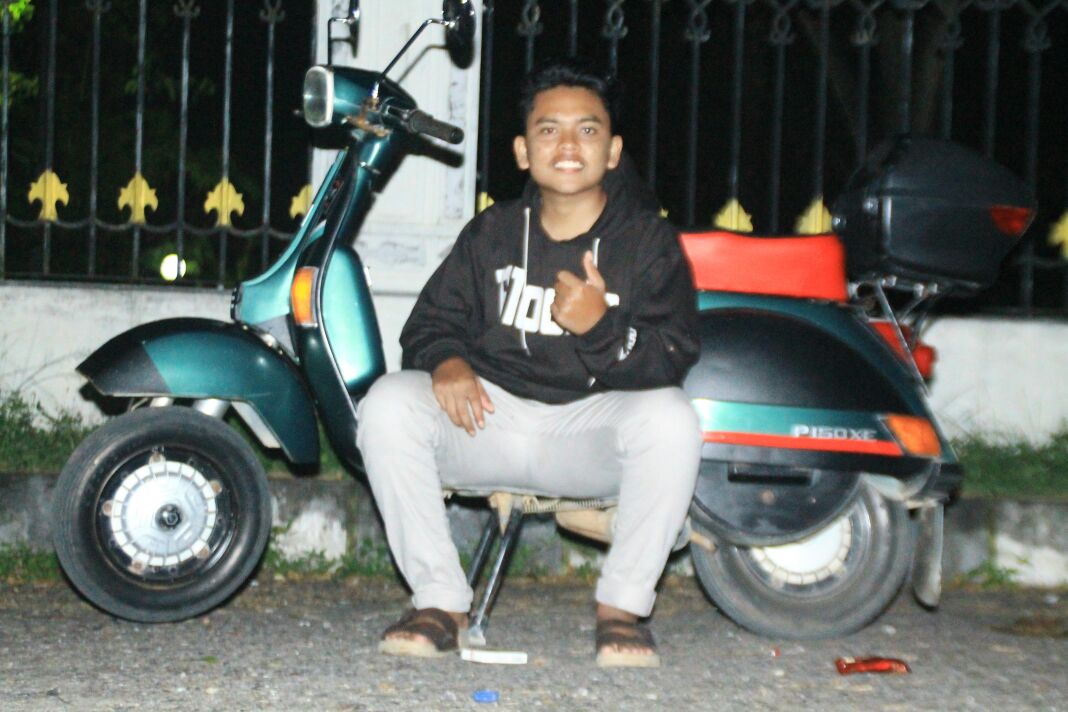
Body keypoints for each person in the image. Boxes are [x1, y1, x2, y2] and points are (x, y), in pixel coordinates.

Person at [356, 58, 702, 668]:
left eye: (587, 130)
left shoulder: (647, 242)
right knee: (387, 403)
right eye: (548, 129)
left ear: (613, 151)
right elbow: (429, 325)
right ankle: (439, 604)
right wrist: (446, 361)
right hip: (488, 420)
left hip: (588, 432)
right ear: (523, 151)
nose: (567, 144)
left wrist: (601, 327)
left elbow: (671, 357)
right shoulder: (491, 232)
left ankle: (621, 611)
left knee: (672, 417)